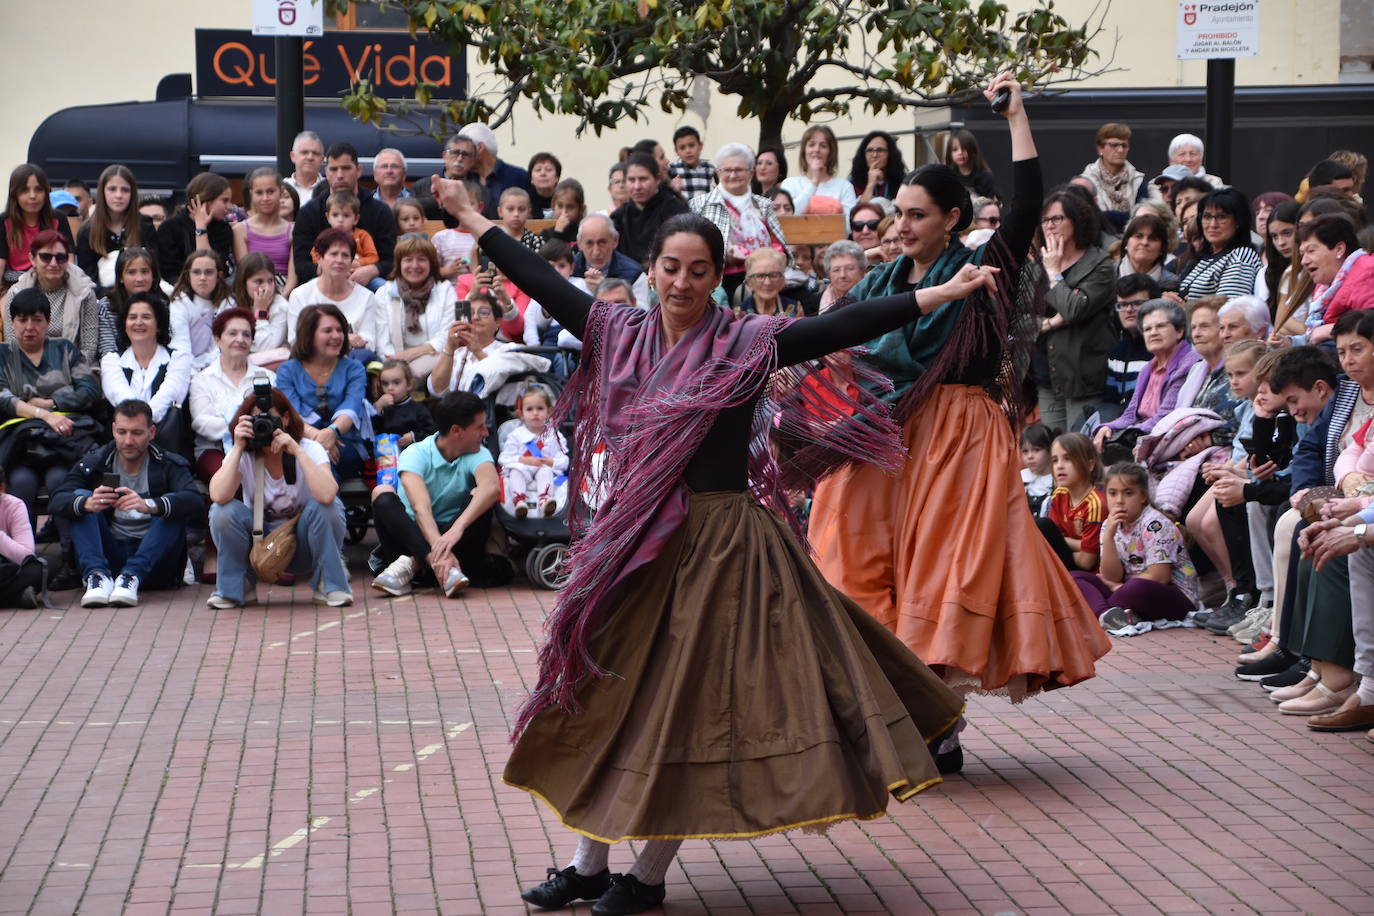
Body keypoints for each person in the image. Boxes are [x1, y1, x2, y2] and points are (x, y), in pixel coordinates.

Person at [429, 155, 988, 914]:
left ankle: (646, 877)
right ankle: (588, 865)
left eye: (698, 270)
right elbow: (546, 280)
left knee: (681, 714)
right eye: (671, 268)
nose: (684, 282)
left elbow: (840, 324)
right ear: (652, 271)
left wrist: (937, 294)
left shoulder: (746, 341)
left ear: (715, 274)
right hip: (633, 541)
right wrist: (470, 218)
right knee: (604, 693)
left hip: (723, 548)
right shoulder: (617, 332)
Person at [809, 74, 1109, 719]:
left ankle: (937, 720)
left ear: (952, 219)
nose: (904, 225)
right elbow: (837, 336)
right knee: (852, 552)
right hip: (887, 431)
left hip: (956, 435)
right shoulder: (882, 281)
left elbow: (1026, 204)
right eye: (900, 214)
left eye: (918, 214)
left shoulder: (981, 273)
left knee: (942, 572)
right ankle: (886, 703)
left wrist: (1018, 117)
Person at [207, 386, 351, 608]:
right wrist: (237, 448)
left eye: (269, 419)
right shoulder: (243, 454)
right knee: (222, 512)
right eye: (256, 421)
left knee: (328, 506)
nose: (262, 426)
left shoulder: (309, 448)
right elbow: (218, 495)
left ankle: (329, 583)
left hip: (303, 542)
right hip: (259, 543)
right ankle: (237, 588)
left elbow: (328, 493)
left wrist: (297, 451)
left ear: (285, 418)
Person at [51, 399, 200, 608]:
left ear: (152, 432)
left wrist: (149, 504)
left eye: (137, 433)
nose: (128, 441)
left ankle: (132, 576)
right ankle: (96, 577)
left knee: (172, 507)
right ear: (113, 430)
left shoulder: (168, 463)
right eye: (122, 432)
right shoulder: (96, 461)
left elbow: (194, 500)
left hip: (155, 562)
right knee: (81, 498)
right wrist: (89, 503)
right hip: (111, 556)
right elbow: (58, 499)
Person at [0, 288, 103, 588]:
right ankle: (20, 564)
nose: (29, 327)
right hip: (22, 447)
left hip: (64, 446)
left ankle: (71, 561)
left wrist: (52, 404)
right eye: (22, 320)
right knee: (20, 485)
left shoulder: (66, 350)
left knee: (62, 482)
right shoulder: (3, 354)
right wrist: (43, 413)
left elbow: (89, 390)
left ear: (48, 322)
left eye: (36, 320)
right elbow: (3, 398)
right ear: (12, 322)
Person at [370, 390, 506, 598]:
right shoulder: (415, 453)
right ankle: (437, 566)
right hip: (414, 538)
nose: (486, 433)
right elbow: (420, 508)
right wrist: (437, 553)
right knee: (382, 492)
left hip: (456, 543)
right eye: (479, 427)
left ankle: (411, 565)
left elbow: (491, 488)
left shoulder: (478, 452)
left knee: (481, 495)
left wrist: (457, 529)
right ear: (456, 431)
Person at [1021, 188, 1117, 432]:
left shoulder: (1100, 265)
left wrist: (1054, 273)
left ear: (1076, 221)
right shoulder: (1034, 268)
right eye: (1045, 220)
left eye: (1057, 219)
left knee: (1078, 450)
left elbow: (1073, 309)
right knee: (1054, 453)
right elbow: (1016, 319)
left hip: (1082, 378)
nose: (1050, 226)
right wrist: (1050, 323)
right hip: (1046, 376)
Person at [1076, 462, 1201, 630]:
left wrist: (1119, 587)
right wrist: (1109, 537)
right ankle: (1109, 616)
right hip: (1126, 591)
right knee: (1074, 578)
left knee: (1136, 588)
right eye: (1113, 493)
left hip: (1172, 596)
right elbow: (1110, 576)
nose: (1119, 501)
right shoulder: (1109, 525)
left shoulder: (1155, 524)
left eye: (1128, 493)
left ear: (1142, 496)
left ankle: (1101, 610)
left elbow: (1160, 577)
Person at [276, 304, 372, 480]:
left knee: (321, 459)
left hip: (345, 443)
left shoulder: (354, 369)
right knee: (316, 456)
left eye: (339, 330)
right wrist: (319, 439)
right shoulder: (287, 371)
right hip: (301, 440)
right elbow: (292, 413)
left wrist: (332, 432)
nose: (336, 336)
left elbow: (352, 407)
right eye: (327, 330)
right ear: (309, 334)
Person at [690, 143, 789, 302]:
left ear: (751, 172)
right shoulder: (699, 205)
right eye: (727, 170)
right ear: (718, 172)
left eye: (739, 170)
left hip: (765, 278)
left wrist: (763, 260)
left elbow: (779, 245)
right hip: (720, 282)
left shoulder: (764, 205)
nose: (733, 175)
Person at [1094, 299, 1201, 445]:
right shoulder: (1147, 368)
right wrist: (1109, 427)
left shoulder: (1189, 363)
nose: (1153, 333)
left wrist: (1127, 434)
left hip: (1166, 440)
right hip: (1141, 435)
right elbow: (1130, 415)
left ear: (1179, 331)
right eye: (1147, 329)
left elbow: (1166, 417)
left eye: (1161, 326)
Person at [291, 142, 397, 289]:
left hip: (368, 283)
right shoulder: (309, 213)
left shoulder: (380, 211)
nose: (340, 175)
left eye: (346, 168)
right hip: (321, 283)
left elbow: (390, 259)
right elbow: (301, 264)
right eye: (334, 169)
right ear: (326, 172)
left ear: (358, 171)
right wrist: (332, 270)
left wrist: (371, 270)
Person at [188, 307, 276, 482]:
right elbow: (201, 423)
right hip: (215, 449)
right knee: (228, 479)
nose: (240, 339)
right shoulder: (202, 380)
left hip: (261, 447)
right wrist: (239, 428)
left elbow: (276, 416)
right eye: (232, 333)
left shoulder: (267, 378)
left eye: (246, 334)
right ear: (217, 339)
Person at [2, 230, 105, 367]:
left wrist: (63, 372)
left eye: (60, 257)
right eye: (46, 257)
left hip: (74, 368)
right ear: (32, 259)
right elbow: (12, 344)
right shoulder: (16, 293)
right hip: (27, 370)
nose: (54, 263)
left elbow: (89, 347)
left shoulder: (84, 292)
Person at [100, 292, 194, 441]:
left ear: (159, 325)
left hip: (167, 446)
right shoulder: (111, 361)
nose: (138, 322)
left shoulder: (179, 359)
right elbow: (122, 401)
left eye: (146, 317)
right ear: (124, 325)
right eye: (132, 317)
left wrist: (139, 425)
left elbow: (169, 397)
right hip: (122, 446)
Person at [287, 229, 384, 363]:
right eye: (333, 254)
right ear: (319, 258)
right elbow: (295, 340)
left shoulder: (366, 297)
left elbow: (369, 342)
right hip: (312, 362)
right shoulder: (300, 295)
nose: (339, 260)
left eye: (345, 255)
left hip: (354, 363)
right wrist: (345, 339)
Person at [371, 233, 456, 384]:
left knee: (417, 374)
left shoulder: (445, 290)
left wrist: (410, 354)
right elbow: (382, 342)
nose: (415, 265)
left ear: (431, 263)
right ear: (399, 263)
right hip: (393, 359)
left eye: (421, 259)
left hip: (434, 356)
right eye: (408, 260)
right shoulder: (384, 292)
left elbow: (446, 336)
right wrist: (397, 361)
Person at [75, 165, 155, 298]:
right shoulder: (86, 231)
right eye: (112, 189)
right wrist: (113, 296)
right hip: (103, 301)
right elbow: (88, 279)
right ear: (102, 192)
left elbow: (154, 268)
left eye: (125, 190)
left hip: (142, 298)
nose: (119, 195)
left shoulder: (144, 225)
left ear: (132, 193)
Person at [426, 291, 523, 396]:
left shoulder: (510, 349)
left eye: (484, 313)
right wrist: (449, 347)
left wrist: (478, 352)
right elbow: (436, 389)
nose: (476, 317)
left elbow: (504, 382)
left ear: (498, 322)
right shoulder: (456, 353)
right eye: (471, 313)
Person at [1177, 187, 1263, 301]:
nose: (1213, 224)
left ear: (1238, 221)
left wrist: (1185, 309)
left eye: (1221, 216)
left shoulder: (1241, 256)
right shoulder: (1203, 257)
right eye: (1207, 216)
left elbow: (1229, 311)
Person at [1296, 215, 1369, 346]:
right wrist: (1289, 342)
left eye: (1311, 251)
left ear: (1339, 249)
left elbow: (1370, 324)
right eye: (1302, 254)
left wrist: (1332, 330)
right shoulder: (1324, 283)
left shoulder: (1367, 270)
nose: (1304, 261)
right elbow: (1314, 335)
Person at [1038, 432, 1107, 573]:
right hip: (1067, 561)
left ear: (1089, 465)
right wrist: (1078, 545)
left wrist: (1059, 541)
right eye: (1055, 460)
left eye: (1067, 459)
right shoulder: (1059, 494)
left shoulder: (1096, 503)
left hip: (1089, 574)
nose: (1059, 466)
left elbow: (1087, 561)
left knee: (1041, 527)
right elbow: (1052, 538)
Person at [498, 386, 568, 518]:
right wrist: (523, 460)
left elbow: (563, 459)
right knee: (515, 472)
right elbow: (504, 458)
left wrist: (552, 461)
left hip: (545, 469)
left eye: (540, 408)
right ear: (521, 414)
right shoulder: (516, 435)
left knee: (545, 471)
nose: (535, 413)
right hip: (522, 468)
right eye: (529, 409)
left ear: (549, 411)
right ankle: (519, 501)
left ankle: (545, 500)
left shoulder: (554, 435)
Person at [0, 164, 74, 287]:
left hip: (52, 282)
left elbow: (69, 262)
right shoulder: (3, 221)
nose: (33, 196)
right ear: (15, 194)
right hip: (14, 284)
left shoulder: (58, 219)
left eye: (39, 189)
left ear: (46, 192)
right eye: (25, 190)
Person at [611, 153, 690, 265]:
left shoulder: (676, 210)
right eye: (631, 180)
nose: (637, 186)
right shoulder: (618, 217)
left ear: (657, 179)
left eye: (643, 179)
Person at [155, 172, 233, 282]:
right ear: (205, 200)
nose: (229, 207)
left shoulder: (223, 229)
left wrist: (201, 228)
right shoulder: (170, 228)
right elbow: (168, 271)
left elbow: (211, 267)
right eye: (224, 200)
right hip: (176, 291)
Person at [232, 167, 297, 295]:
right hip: (251, 292)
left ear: (281, 192)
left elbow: (293, 276)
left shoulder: (293, 230)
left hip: (285, 293)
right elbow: (245, 271)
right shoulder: (240, 230)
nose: (265, 198)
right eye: (259, 193)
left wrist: (282, 298)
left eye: (271, 191)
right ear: (251, 194)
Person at [1079, 123, 1153, 232]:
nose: (1120, 150)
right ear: (1100, 148)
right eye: (1114, 145)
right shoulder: (1086, 181)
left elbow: (1143, 218)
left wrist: (1107, 216)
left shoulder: (1137, 180)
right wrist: (1126, 216)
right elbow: (1087, 218)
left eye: (1124, 145)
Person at [1102, 274, 1157, 414]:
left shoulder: (1163, 348)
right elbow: (1110, 402)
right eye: (1122, 305)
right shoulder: (1117, 352)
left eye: (1137, 303)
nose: (1128, 310)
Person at [168, 249, 230, 372]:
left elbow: (222, 347)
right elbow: (180, 345)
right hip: (185, 369)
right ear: (188, 275)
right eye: (196, 272)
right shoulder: (180, 303)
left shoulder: (228, 304)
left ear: (219, 276)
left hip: (218, 368)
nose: (202, 278)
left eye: (209, 272)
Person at [572, 214, 650, 307]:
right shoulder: (567, 270)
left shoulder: (635, 274)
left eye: (602, 243)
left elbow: (643, 315)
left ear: (615, 240)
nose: (596, 252)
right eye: (589, 243)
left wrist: (606, 291)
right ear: (579, 243)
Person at [228, 251, 290, 367]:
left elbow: (266, 348)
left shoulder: (280, 305)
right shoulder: (230, 303)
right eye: (258, 281)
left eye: (270, 280)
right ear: (244, 282)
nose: (267, 288)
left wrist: (261, 313)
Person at [780, 125, 857, 216]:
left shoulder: (844, 186)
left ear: (831, 152)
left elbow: (848, 224)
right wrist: (814, 183)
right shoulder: (790, 184)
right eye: (811, 145)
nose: (816, 150)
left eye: (823, 146)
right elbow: (789, 216)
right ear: (804, 151)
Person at [460, 122, 533, 209]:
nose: (459, 157)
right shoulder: (461, 179)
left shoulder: (519, 177)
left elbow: (535, 213)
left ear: (479, 147)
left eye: (464, 151)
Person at [0, 468, 43, 608]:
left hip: (5, 569)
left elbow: (27, 556)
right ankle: (16, 598)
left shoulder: (14, 505)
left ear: (2, 488)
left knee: (44, 566)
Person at [416, 133, 481, 225]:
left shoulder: (481, 189)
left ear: (473, 161)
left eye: (465, 154)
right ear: (444, 156)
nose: (459, 159)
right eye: (455, 152)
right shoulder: (422, 186)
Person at [371, 359, 435, 449]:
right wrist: (377, 407)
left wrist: (413, 436)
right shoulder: (383, 407)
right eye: (385, 384)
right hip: (386, 456)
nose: (390, 388)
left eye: (396, 383)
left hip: (412, 454)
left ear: (409, 384)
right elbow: (371, 431)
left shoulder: (418, 409)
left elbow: (431, 433)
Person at [312, 190, 379, 274]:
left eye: (346, 215)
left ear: (356, 219)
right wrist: (324, 263)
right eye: (335, 215)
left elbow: (373, 257)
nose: (340, 220)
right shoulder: (325, 237)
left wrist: (358, 263)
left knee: (379, 283)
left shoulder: (362, 236)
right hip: (331, 274)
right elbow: (315, 254)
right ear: (328, 217)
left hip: (359, 274)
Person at [1117, 212, 1179, 288]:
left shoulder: (1171, 283)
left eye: (1152, 238)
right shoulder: (1106, 275)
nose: (1144, 242)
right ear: (1126, 242)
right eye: (1138, 236)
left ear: (1162, 248)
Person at [737, 248, 801, 318]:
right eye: (760, 276)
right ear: (749, 282)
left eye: (773, 275)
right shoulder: (740, 314)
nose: (767, 283)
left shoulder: (795, 309)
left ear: (782, 280)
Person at [851, 130, 909, 203]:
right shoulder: (852, 184)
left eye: (880, 150)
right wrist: (870, 184)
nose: (875, 155)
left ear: (890, 153)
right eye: (870, 150)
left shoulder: (904, 182)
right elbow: (858, 211)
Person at [943, 129, 997, 200]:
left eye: (964, 148)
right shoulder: (948, 176)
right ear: (949, 153)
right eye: (955, 149)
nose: (960, 152)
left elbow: (990, 202)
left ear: (973, 150)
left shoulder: (985, 176)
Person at [667, 127, 716, 201]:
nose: (688, 151)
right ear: (676, 151)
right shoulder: (671, 169)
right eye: (682, 148)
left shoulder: (709, 169)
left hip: (704, 211)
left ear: (700, 146)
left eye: (691, 145)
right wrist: (671, 188)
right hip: (682, 211)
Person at [816, 240, 866, 313]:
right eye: (836, 270)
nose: (842, 275)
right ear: (829, 274)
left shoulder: (874, 296)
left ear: (862, 271)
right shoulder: (815, 302)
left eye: (850, 268)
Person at [1020, 422, 1055, 515]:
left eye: (1036, 450)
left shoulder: (1057, 481)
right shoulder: (1020, 479)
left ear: (1049, 450)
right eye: (1025, 451)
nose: (1030, 456)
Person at [541, 178, 586, 246]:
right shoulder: (547, 234)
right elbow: (551, 254)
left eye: (570, 207)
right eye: (560, 206)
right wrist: (558, 232)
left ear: (580, 209)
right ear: (553, 205)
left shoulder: (584, 233)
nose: (563, 212)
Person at [282, 130, 326, 200]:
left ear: (322, 159)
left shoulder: (330, 189)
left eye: (315, 153)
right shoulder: (280, 189)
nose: (310, 157)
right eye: (304, 152)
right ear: (293, 156)